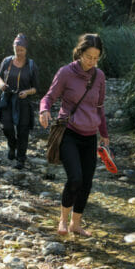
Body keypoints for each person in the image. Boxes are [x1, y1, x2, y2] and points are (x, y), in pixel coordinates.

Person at [39, 33, 109, 236]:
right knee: (75, 178)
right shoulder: (66, 73)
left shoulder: (99, 76)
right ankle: (62, 220)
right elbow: (49, 97)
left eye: (96, 58)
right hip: (69, 133)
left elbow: (100, 107)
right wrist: (44, 110)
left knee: (87, 182)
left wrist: (104, 134)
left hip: (90, 136)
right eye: (89, 57)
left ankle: (76, 224)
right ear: (79, 53)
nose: (92, 62)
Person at [0, 34, 39, 169]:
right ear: (13, 48)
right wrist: (1, 84)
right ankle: (12, 145)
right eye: (16, 49)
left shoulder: (31, 65)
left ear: (26, 49)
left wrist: (26, 92)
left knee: (23, 130)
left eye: (21, 49)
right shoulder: (7, 61)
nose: (19, 52)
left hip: (23, 101)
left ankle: (21, 158)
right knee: (6, 126)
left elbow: (36, 88)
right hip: (7, 98)